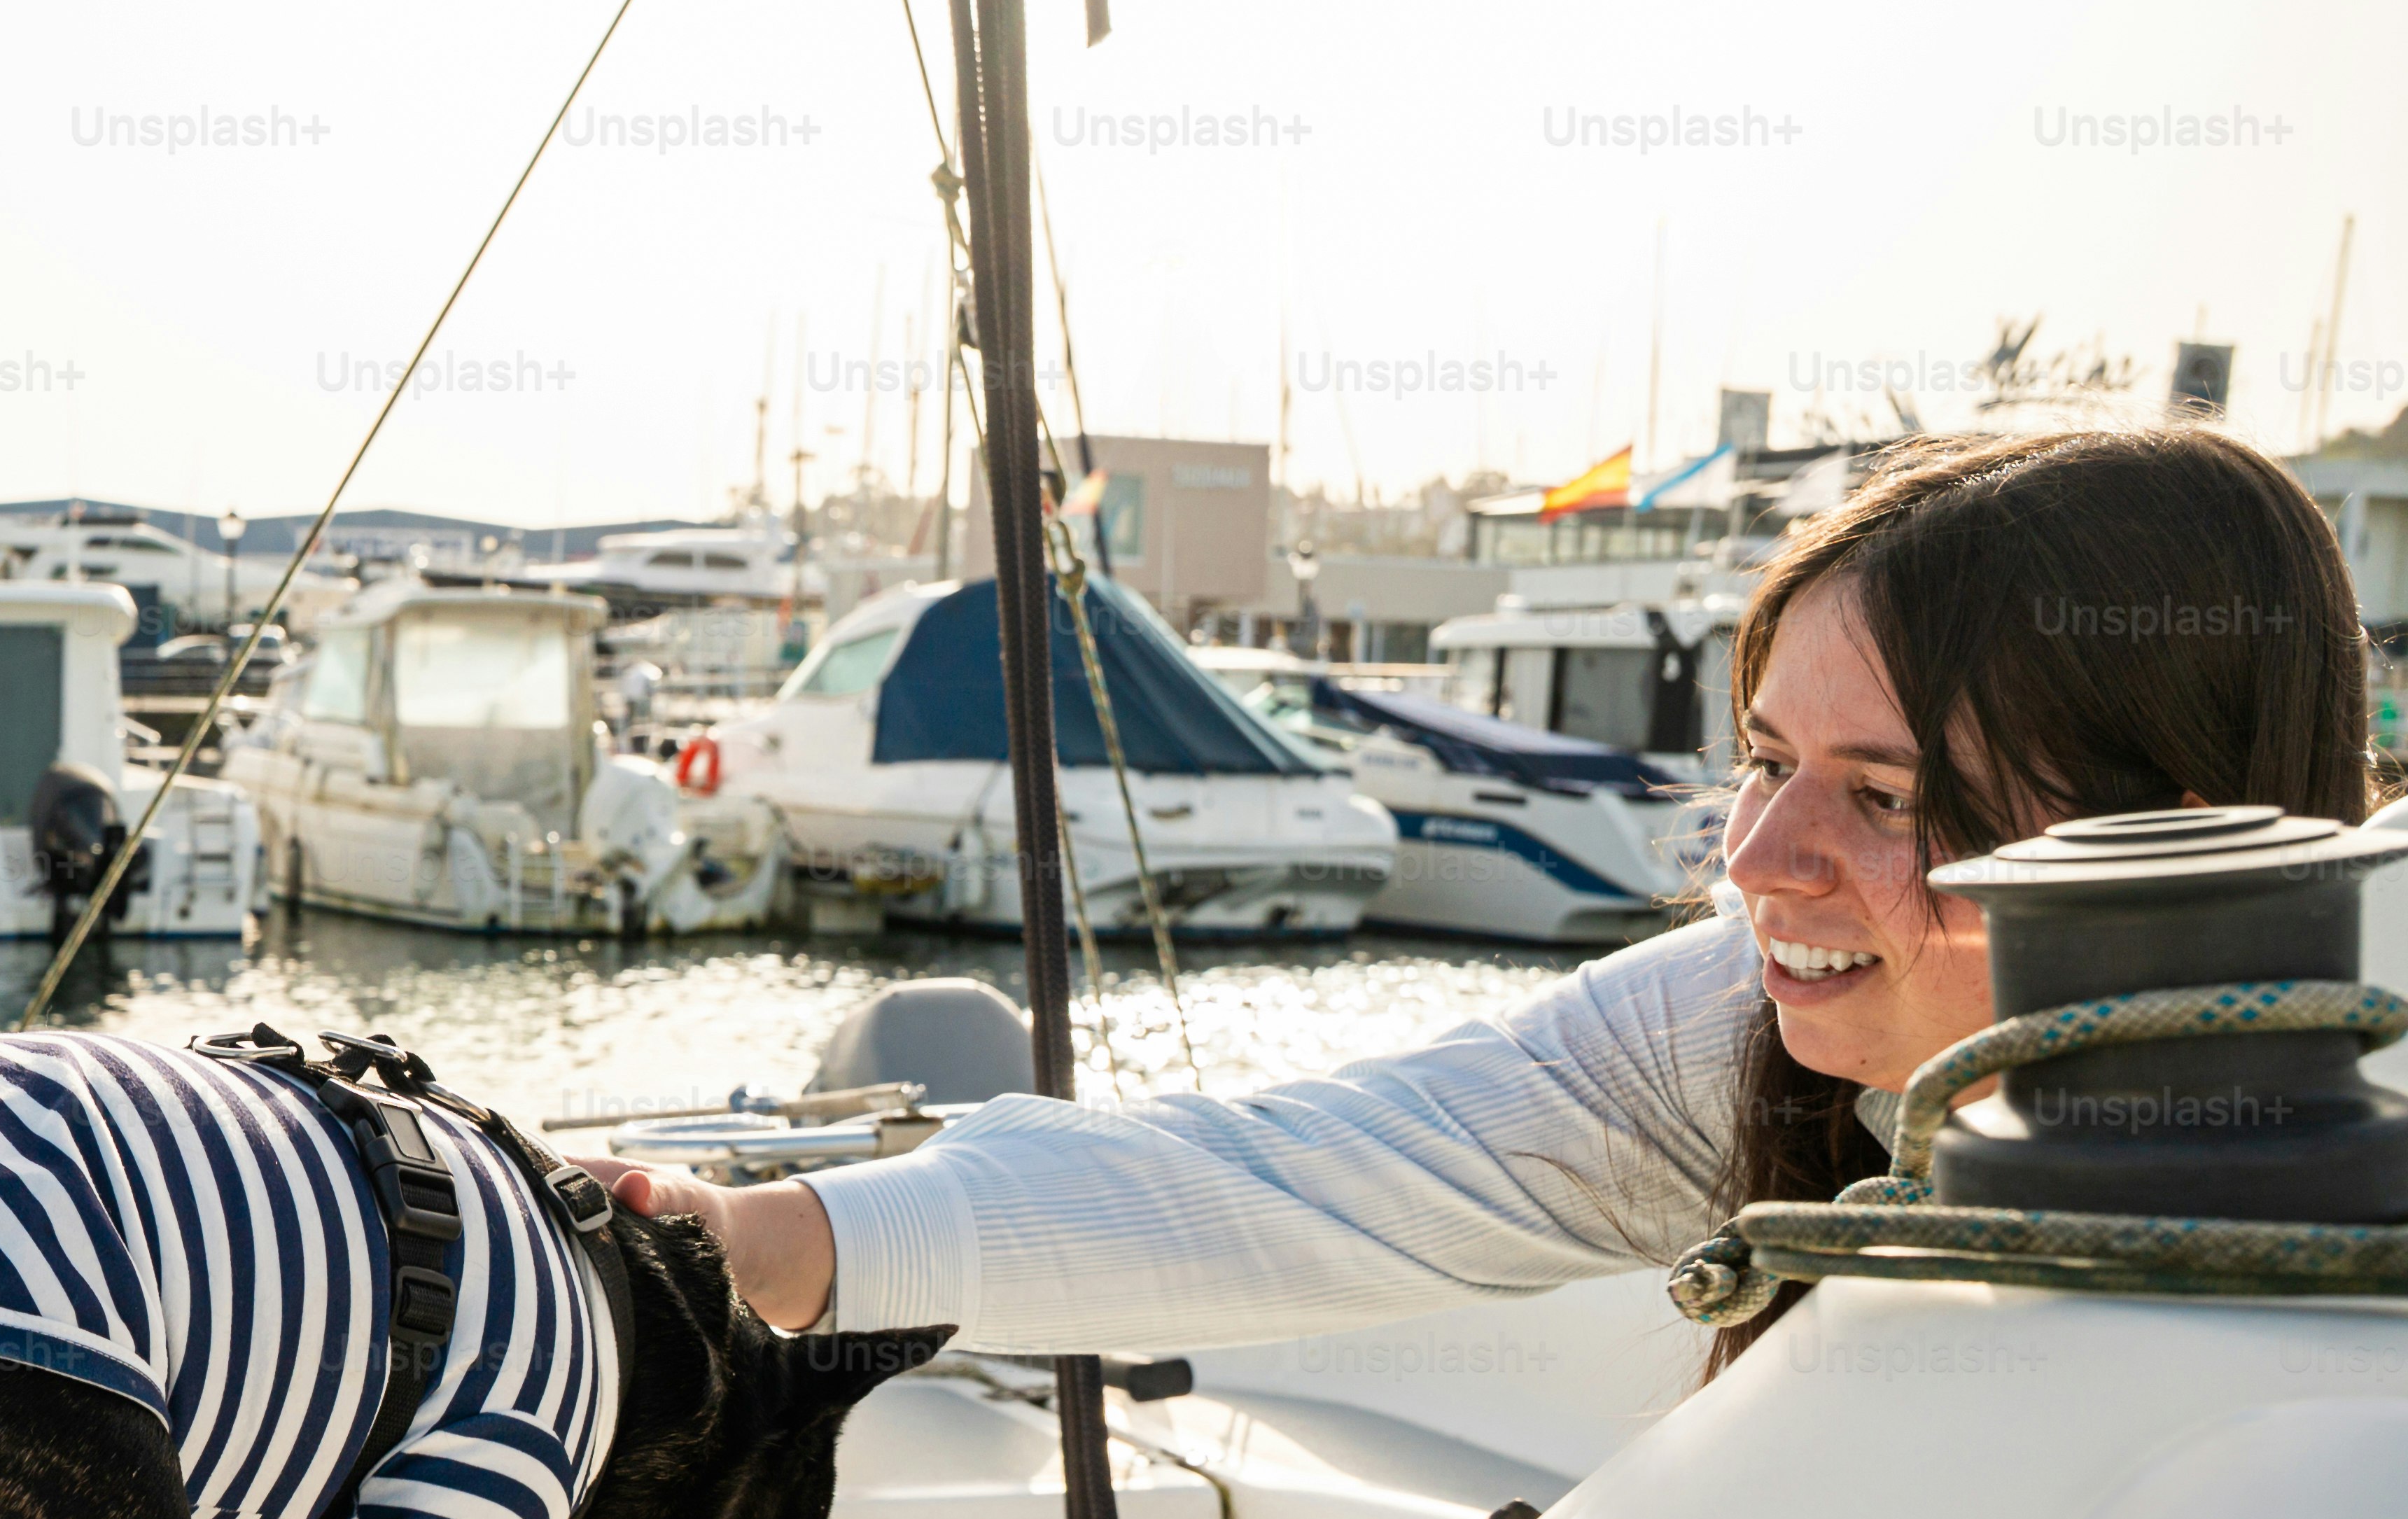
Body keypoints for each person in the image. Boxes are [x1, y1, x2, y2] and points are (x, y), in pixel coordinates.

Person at [586, 429, 2381, 1373]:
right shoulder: (1731, 1032)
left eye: (1890, 796)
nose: (1757, 861)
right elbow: (1284, 1183)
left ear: (2173, 826)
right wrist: (742, 1239)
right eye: (1764, 761)